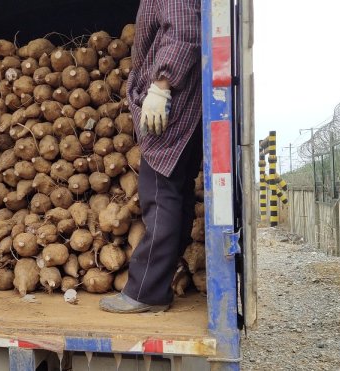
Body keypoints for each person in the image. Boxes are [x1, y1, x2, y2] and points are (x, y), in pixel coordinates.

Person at [100, 0, 203, 313]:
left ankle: (146, 292)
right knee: (176, 194)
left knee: (159, 195)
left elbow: (184, 31)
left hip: (173, 108)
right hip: (186, 107)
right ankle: (161, 282)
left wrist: (161, 86)